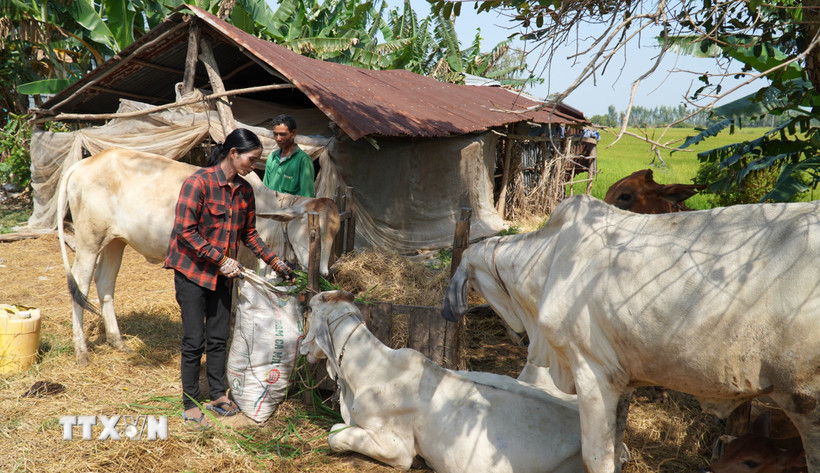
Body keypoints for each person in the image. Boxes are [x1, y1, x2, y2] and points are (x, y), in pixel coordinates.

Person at [164, 128, 295, 428]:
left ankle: (218, 395)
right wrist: (222, 260)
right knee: (195, 340)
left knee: (219, 338)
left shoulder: (245, 191)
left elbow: (248, 234)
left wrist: (276, 263)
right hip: (193, 272)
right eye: (252, 159)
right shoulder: (198, 184)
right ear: (233, 153)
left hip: (223, 275)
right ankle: (191, 403)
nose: (254, 165)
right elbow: (185, 232)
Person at [262, 114, 315, 197]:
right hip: (270, 209)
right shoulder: (271, 157)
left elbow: (307, 196)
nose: (278, 138)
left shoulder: (303, 160)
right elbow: (264, 190)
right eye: (275, 134)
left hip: (291, 209)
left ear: (293, 134)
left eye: (282, 134)